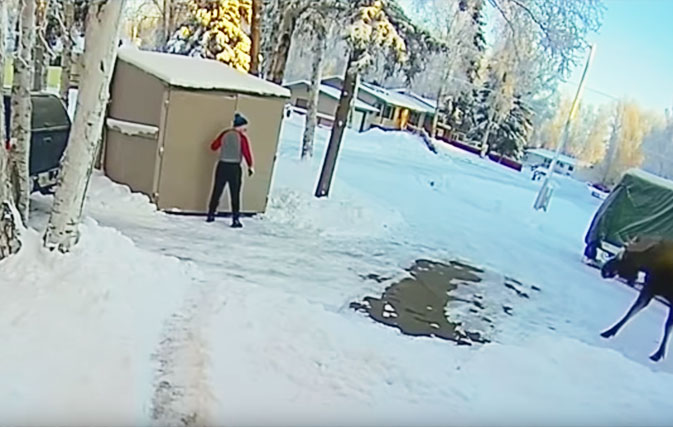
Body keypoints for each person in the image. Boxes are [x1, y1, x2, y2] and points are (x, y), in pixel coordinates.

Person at [207, 112, 254, 227]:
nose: (245, 130)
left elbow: (213, 147)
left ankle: (211, 214)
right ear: (240, 126)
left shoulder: (224, 134)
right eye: (244, 127)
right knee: (235, 194)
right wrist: (250, 166)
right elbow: (246, 152)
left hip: (222, 165)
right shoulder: (242, 138)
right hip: (234, 168)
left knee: (217, 190)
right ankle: (235, 219)